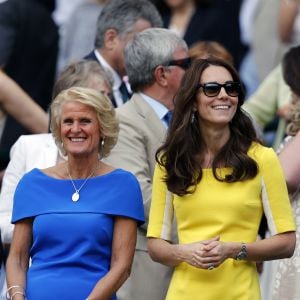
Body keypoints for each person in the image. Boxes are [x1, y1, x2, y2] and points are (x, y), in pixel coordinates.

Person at [147, 58, 296, 299]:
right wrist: (185, 253)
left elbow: (287, 242)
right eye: (212, 89)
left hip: (241, 293)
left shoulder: (262, 158)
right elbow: (155, 245)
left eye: (231, 87)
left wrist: (235, 250)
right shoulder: (170, 160)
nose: (224, 95)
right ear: (193, 101)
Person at [5, 86, 144, 300]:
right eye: (68, 122)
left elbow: (122, 265)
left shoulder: (123, 184)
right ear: (59, 130)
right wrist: (16, 297)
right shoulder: (33, 183)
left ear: (103, 129)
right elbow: (17, 258)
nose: (75, 129)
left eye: (85, 121)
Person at [104, 27, 190, 300]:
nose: (194, 72)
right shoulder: (124, 121)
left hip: (196, 266)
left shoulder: (191, 118)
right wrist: (207, 224)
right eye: (186, 64)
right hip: (150, 273)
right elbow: (138, 196)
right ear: (161, 74)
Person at [0, 59, 113, 248]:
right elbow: (3, 220)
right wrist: (48, 230)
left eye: (108, 95)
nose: (109, 103)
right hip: (30, 269)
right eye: (100, 95)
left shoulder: (113, 162)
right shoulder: (28, 148)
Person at [0, 0, 58, 164]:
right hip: (31, 142)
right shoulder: (50, 22)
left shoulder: (8, 12)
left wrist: (49, 130)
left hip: (17, 138)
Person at [84, 0, 162, 107]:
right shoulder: (81, 84)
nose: (147, 53)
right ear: (111, 39)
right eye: (140, 42)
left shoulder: (128, 87)